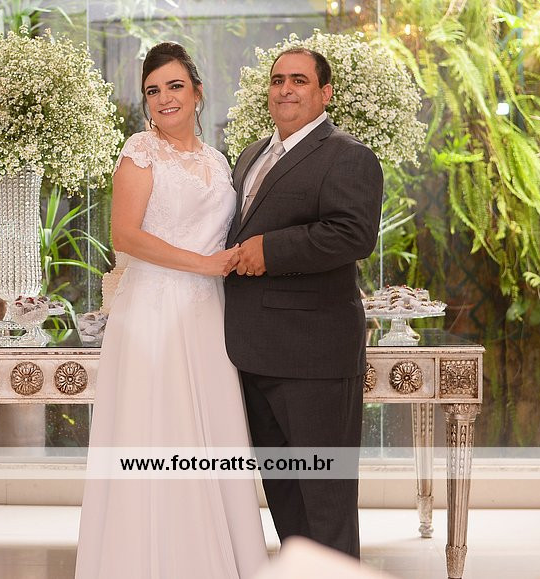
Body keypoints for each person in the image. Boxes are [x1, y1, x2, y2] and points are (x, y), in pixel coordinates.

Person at [75, 43, 267, 578]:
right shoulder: (140, 151)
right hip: (153, 313)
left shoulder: (219, 161)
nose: (164, 98)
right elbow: (125, 236)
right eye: (153, 91)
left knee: (212, 435)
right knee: (158, 432)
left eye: (175, 86)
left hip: (209, 317)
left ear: (198, 92)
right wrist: (204, 265)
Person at [224, 48, 384, 558]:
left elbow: (353, 235)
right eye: (277, 80)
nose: (285, 89)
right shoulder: (250, 155)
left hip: (315, 359)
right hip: (252, 354)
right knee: (286, 499)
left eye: (298, 80)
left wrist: (270, 251)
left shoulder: (348, 155)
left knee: (325, 502)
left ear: (325, 93)